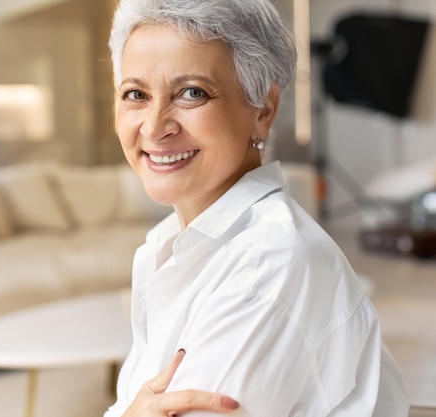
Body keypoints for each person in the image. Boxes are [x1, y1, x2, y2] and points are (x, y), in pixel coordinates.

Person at [104, 0, 410, 416]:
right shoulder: (164, 250)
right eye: (135, 94)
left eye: (192, 93)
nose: (155, 126)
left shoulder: (265, 264)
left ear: (263, 110)